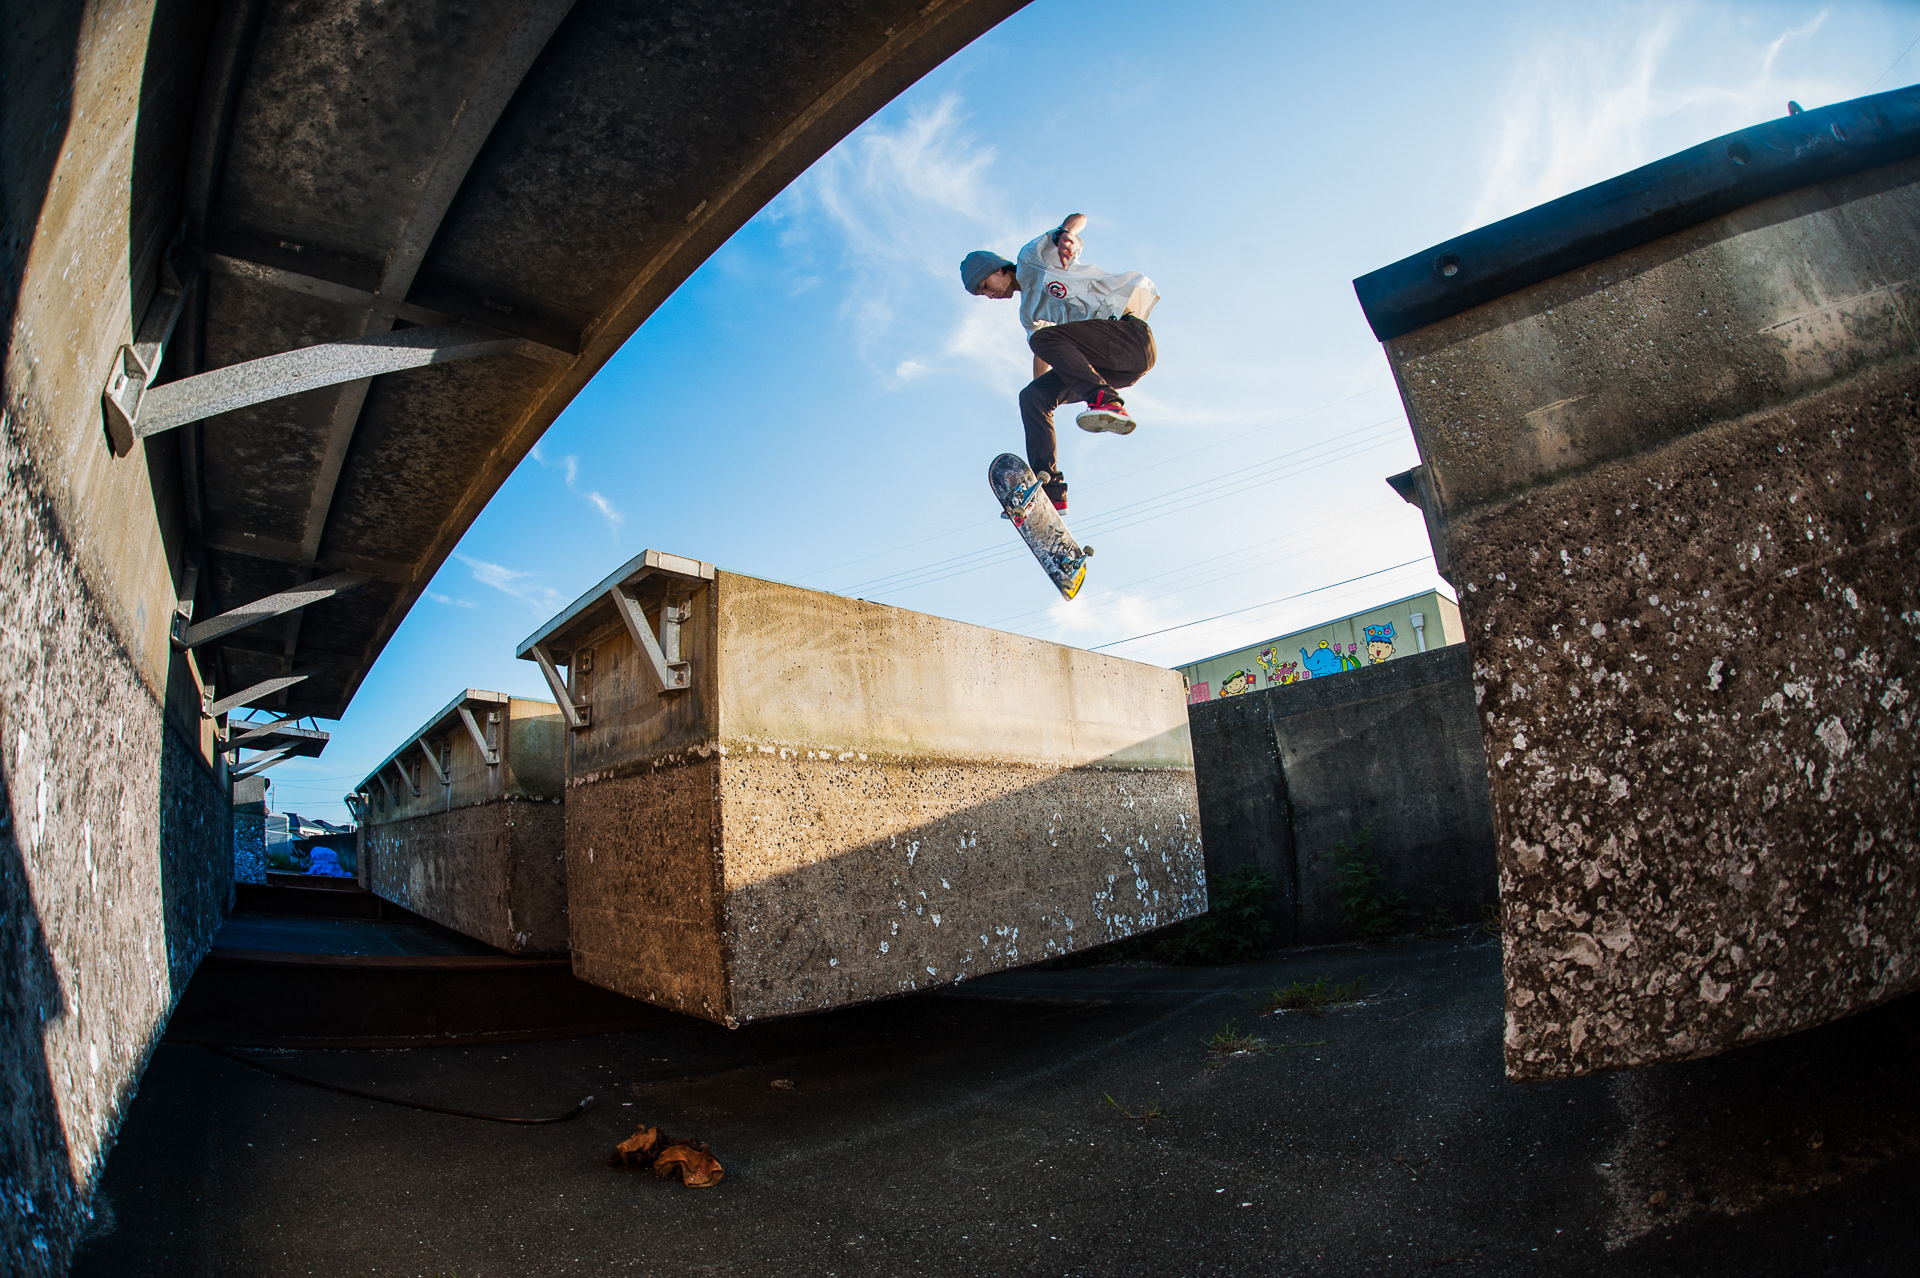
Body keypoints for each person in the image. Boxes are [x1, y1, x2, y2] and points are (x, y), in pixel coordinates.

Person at [960, 215, 1160, 511]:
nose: (989, 295)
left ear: (998, 269)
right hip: (1106, 366)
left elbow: (1076, 220)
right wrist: (1042, 396)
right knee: (1032, 396)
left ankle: (1105, 401)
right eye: (982, 294)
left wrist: (1066, 234)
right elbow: (1043, 354)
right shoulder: (1028, 313)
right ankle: (1050, 490)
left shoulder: (1031, 260)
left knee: (1042, 339)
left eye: (985, 285)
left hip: (1128, 338)